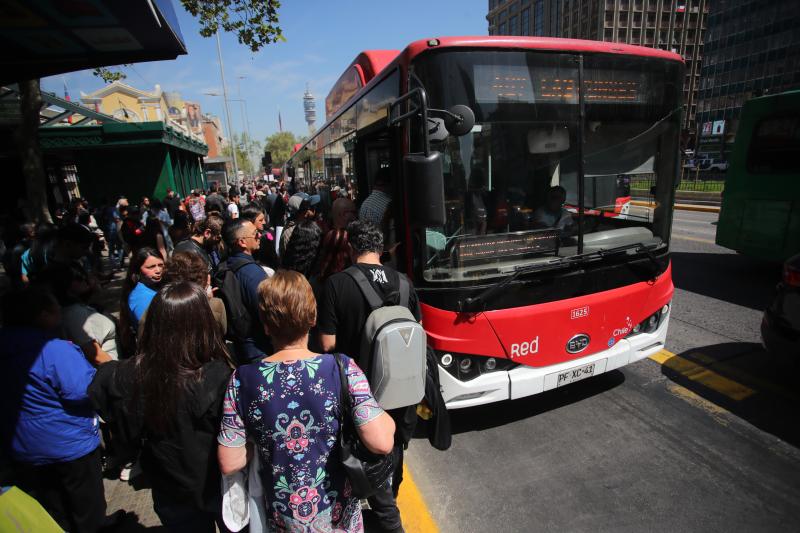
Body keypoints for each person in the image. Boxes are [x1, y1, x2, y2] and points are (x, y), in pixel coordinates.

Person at [217, 271, 395, 532]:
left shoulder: (242, 380)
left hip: (282, 517)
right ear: (313, 318)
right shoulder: (341, 368)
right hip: (339, 516)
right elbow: (381, 442)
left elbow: (230, 462)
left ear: (266, 325)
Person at [90, 282, 234, 533]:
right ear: (203, 323)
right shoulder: (220, 376)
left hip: (170, 486)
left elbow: (100, 394)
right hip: (219, 486)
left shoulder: (127, 374)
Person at [318, 220, 421, 533]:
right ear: (380, 249)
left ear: (352, 248)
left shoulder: (337, 284)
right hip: (400, 391)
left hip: (357, 394)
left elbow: (327, 345)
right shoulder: (403, 282)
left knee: (365, 453)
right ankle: (390, 495)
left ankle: (380, 509)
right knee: (393, 448)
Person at [0, 286, 108, 532]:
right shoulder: (54, 349)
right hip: (69, 445)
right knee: (87, 512)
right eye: (55, 308)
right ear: (41, 315)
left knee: (54, 511)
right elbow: (83, 390)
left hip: (24, 448)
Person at [44, 260, 116, 364]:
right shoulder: (75, 314)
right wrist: (120, 374)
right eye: (78, 277)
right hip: (110, 373)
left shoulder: (78, 308)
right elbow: (95, 356)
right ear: (66, 284)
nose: (84, 279)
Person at [219, 219, 269, 363]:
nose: (260, 235)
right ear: (242, 242)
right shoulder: (253, 274)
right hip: (259, 349)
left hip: (241, 346)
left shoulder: (226, 264)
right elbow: (267, 314)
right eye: (255, 234)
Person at [143, 251, 227, 337]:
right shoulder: (215, 305)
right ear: (205, 280)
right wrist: (207, 300)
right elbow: (221, 332)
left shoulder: (152, 309)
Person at [118, 247, 164, 358]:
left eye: (161, 265)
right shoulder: (140, 298)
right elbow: (152, 332)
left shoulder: (155, 287)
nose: (158, 270)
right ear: (138, 269)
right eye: (151, 267)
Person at [241, 203, 279, 273]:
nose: (264, 222)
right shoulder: (248, 239)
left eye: (264, 219)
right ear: (250, 221)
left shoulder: (266, 234)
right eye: (260, 220)